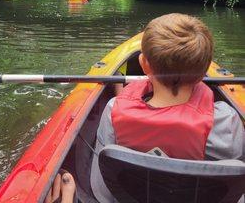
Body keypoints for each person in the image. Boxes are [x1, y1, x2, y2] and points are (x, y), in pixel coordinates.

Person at [90, 13, 244, 203]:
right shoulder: (225, 120)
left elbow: (103, 192)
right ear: (204, 72)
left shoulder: (113, 110)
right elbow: (233, 183)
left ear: (144, 64)